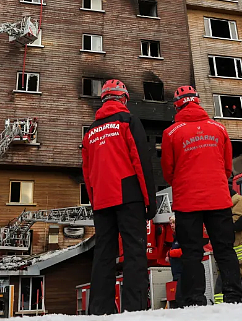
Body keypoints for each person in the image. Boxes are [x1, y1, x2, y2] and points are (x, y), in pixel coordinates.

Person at [161, 86, 242, 306]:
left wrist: (182, 182)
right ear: (197, 102)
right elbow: (227, 168)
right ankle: (234, 296)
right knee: (225, 249)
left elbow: (168, 171)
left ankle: (195, 299)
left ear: (177, 105)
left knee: (191, 253)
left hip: (187, 202)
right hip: (218, 199)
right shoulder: (219, 128)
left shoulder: (170, 133)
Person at [82, 79, 156, 314]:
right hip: (128, 195)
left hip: (102, 199)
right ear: (123, 99)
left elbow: (87, 172)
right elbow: (141, 162)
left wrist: (95, 203)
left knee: (103, 253)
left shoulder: (91, 131)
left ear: (103, 99)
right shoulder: (128, 121)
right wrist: (150, 200)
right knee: (134, 250)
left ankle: (98, 309)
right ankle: (134, 308)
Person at [166, 215, 184, 307]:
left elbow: (184, 251)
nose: (172, 225)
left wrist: (170, 254)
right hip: (176, 273)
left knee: (180, 298)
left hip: (182, 273)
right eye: (170, 223)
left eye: (174, 223)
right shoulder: (175, 238)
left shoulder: (182, 236)